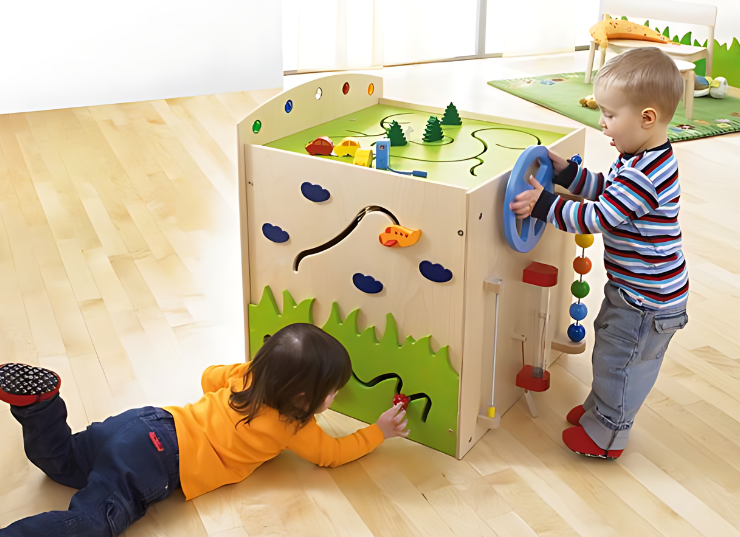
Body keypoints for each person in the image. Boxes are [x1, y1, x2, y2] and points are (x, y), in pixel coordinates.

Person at [0, 323, 409, 535]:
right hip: (159, 460)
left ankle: (41, 406)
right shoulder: (295, 426)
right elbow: (333, 455)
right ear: (303, 399)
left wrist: (242, 374)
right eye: (331, 392)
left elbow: (208, 377)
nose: (333, 398)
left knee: (63, 461)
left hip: (147, 422)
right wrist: (379, 431)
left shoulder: (246, 376)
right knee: (94, 523)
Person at [510, 47, 689, 459]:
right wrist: (570, 175)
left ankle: (607, 434)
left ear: (646, 118)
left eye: (610, 114)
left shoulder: (645, 175)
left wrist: (544, 205)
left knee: (620, 363)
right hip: (635, 289)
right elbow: (608, 190)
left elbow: (599, 216)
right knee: (611, 353)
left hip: (646, 301)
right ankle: (601, 411)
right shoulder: (640, 158)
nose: (602, 122)